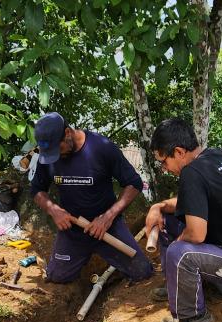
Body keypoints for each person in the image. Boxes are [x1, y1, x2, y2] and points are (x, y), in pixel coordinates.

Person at [144, 118, 222, 322]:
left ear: (179, 152)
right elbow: (187, 202)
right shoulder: (215, 156)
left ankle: (193, 317)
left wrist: (180, 241)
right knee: (168, 221)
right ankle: (176, 285)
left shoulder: (191, 173)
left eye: (164, 162)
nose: (164, 168)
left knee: (179, 252)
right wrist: (159, 206)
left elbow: (197, 235)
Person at [30, 112, 153, 284]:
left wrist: (108, 217)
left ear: (67, 133)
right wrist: (53, 209)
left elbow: (134, 183)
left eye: (59, 149)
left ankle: (113, 271)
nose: (56, 156)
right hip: (73, 231)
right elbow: (36, 189)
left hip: (106, 228)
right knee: (56, 277)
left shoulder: (102, 148)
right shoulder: (49, 156)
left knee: (142, 272)